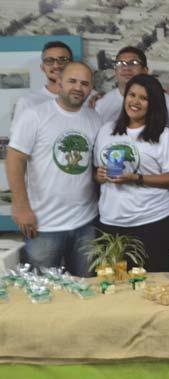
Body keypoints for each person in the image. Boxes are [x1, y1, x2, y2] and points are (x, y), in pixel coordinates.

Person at [7, 62, 100, 276]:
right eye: (72, 81)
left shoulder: (95, 119)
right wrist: (20, 206)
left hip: (86, 223)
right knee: (43, 293)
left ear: (90, 88)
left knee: (86, 289)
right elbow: (15, 159)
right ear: (59, 81)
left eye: (85, 83)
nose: (78, 87)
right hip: (43, 225)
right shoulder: (35, 115)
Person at [94, 74, 169, 273]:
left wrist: (137, 178)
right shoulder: (106, 131)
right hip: (112, 222)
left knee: (154, 286)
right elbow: (96, 173)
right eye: (131, 95)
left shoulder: (163, 135)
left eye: (143, 98)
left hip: (155, 221)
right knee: (113, 286)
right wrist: (99, 176)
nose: (135, 101)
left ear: (153, 104)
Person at [93, 46, 169, 132]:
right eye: (120, 63)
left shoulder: (167, 102)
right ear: (115, 70)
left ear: (145, 70)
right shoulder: (102, 104)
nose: (126, 68)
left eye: (133, 63)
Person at [11, 41, 94, 127]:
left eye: (63, 60)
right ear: (42, 67)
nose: (56, 65)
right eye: (49, 60)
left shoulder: (91, 98)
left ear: (72, 64)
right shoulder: (27, 102)